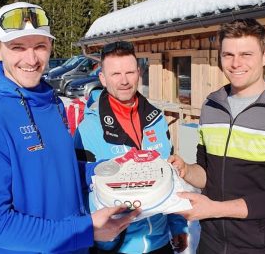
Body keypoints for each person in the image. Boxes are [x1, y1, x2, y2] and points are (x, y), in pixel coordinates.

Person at [0, 2, 139, 254]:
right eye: (17, 47)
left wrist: (110, 169)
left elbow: (58, 169)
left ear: (50, 46)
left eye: (40, 46)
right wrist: (85, 230)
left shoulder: (53, 103)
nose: (31, 59)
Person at [169, 18, 265, 253]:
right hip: (212, 244)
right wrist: (186, 170)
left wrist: (214, 209)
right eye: (228, 55)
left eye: (246, 54)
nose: (236, 63)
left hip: (262, 246)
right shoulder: (212, 106)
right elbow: (208, 175)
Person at [74, 41, 189, 254]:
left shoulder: (157, 119)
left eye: (129, 72)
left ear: (139, 72)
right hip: (116, 245)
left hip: (159, 242)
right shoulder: (88, 128)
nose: (124, 81)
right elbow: (78, 189)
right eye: (115, 74)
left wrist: (177, 224)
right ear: (102, 78)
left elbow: (169, 177)